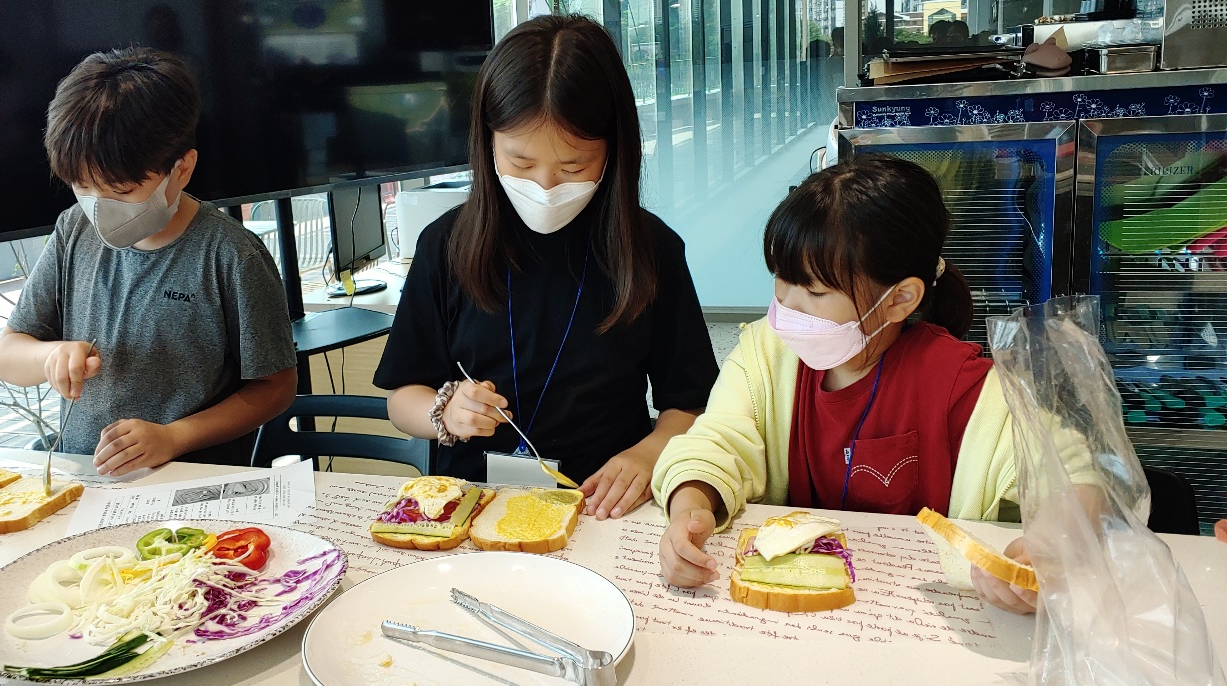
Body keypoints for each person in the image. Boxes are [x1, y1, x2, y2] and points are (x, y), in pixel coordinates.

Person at [652, 155, 1054, 613]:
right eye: (782, 280)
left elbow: (1067, 470)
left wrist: (1047, 551)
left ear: (899, 299)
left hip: (915, 615)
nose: (785, 304)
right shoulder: (767, 354)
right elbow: (716, 440)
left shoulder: (961, 385)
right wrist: (690, 507)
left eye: (815, 292)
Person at [373, 15, 718, 520]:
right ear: (487, 140)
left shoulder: (650, 249)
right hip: (473, 506)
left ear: (614, 150)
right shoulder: (446, 245)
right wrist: (444, 412)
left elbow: (691, 402)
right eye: (521, 163)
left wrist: (650, 453)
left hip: (603, 504)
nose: (546, 187)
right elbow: (402, 397)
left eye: (574, 166)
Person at [0, 48, 298, 475]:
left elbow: (276, 387)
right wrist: (50, 356)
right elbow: (7, 355)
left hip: (190, 482)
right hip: (85, 476)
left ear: (182, 169)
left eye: (120, 191)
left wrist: (174, 437)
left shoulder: (231, 255)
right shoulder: (73, 231)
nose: (98, 206)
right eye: (82, 186)